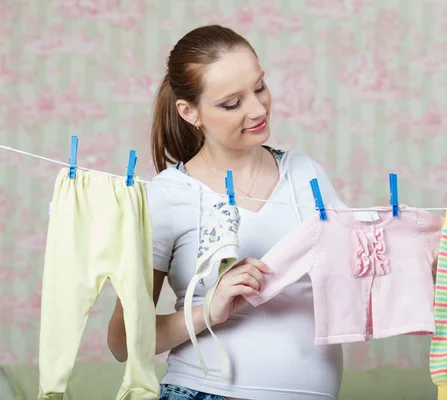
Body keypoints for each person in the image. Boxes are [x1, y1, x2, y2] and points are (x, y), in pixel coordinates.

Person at [107, 25, 346, 400]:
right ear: (190, 112)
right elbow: (122, 341)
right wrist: (208, 311)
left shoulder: (308, 176)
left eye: (260, 87)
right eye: (232, 103)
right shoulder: (169, 195)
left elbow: (360, 276)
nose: (257, 109)